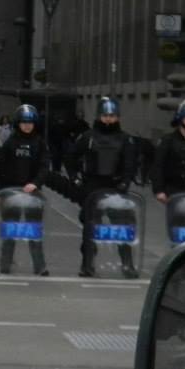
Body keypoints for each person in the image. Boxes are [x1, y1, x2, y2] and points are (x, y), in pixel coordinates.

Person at [64, 96, 139, 278]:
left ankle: (127, 264)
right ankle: (87, 264)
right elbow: (70, 157)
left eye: (112, 116)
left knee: (121, 227)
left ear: (117, 117)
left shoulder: (125, 139)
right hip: (93, 186)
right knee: (90, 228)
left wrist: (125, 181)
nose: (108, 119)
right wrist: (74, 177)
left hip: (116, 187)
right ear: (99, 116)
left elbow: (130, 164)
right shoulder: (88, 137)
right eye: (105, 116)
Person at [0, 104, 49, 276]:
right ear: (18, 123)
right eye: (24, 122)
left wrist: (36, 183)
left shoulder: (39, 143)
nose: (27, 126)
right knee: (10, 231)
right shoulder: (10, 143)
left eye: (30, 123)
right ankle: (4, 266)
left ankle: (40, 267)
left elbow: (44, 167)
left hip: (33, 194)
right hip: (11, 193)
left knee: (33, 231)